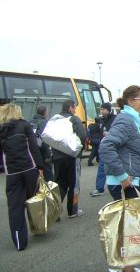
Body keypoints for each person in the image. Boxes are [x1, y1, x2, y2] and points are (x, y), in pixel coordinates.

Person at [100, 85, 140, 201]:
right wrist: (122, 176)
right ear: (131, 101)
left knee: (131, 218)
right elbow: (106, 147)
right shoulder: (126, 120)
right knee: (131, 218)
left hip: (129, 181)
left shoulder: (133, 119)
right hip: (124, 183)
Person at [0, 103, 44, 251]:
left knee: (15, 207)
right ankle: (38, 227)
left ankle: (20, 241)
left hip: (12, 173)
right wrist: (40, 167)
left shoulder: (1, 130)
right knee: (33, 200)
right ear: (17, 112)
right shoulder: (25, 125)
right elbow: (33, 146)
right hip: (29, 169)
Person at [52, 100, 86, 218]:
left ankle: (54, 212)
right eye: (74, 107)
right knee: (73, 184)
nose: (75, 110)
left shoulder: (55, 119)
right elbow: (82, 135)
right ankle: (72, 211)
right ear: (70, 108)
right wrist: (77, 150)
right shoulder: (74, 119)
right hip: (71, 156)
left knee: (60, 183)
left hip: (57, 157)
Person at [89, 102, 116, 197]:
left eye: (103, 109)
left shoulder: (115, 119)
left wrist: (109, 134)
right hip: (103, 148)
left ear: (109, 110)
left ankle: (119, 188)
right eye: (101, 109)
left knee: (114, 169)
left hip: (114, 149)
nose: (102, 111)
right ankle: (99, 189)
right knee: (101, 168)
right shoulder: (101, 120)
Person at [30, 104, 53, 181]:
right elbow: (44, 140)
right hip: (42, 154)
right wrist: (47, 155)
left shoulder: (29, 123)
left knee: (35, 178)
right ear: (45, 112)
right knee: (48, 179)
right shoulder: (45, 123)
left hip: (32, 155)